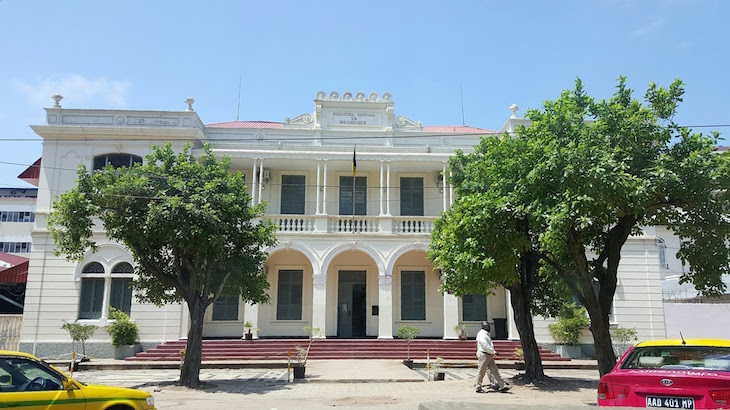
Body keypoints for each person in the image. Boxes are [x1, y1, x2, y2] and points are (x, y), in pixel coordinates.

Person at [475, 320, 511, 393]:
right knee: (481, 371)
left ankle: (502, 386)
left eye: (489, 326)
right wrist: (493, 351)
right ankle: (478, 387)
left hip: (488, 354)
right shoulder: (482, 334)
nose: (489, 327)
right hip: (484, 354)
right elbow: (485, 345)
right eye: (487, 326)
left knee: (495, 371)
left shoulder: (486, 334)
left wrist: (492, 352)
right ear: (484, 326)